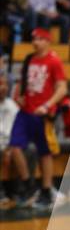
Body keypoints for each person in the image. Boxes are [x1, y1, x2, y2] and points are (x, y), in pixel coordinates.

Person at [9, 28, 67, 209]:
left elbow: (62, 88)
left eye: (40, 39)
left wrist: (48, 105)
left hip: (43, 114)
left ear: (48, 41)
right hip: (25, 112)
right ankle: (28, 184)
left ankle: (46, 189)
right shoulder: (29, 59)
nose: (36, 41)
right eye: (34, 38)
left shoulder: (54, 61)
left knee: (45, 152)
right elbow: (22, 83)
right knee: (15, 146)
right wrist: (18, 96)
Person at [0, 72, 18, 204]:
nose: (3, 88)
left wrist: (10, 147)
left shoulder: (12, 105)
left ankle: (21, 189)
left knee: (30, 149)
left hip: (9, 144)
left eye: (5, 85)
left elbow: (17, 130)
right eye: (0, 85)